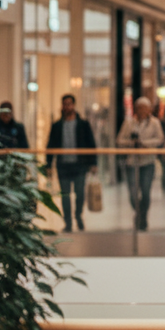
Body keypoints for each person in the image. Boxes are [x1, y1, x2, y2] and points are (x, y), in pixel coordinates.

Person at [46, 95, 98, 233]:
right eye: (65, 104)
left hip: (80, 165)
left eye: (69, 104)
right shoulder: (57, 125)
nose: (67, 107)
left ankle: (78, 216)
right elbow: (50, 145)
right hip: (63, 166)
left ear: (74, 105)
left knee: (80, 194)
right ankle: (68, 222)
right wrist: (48, 164)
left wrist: (93, 163)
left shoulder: (83, 124)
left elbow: (91, 144)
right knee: (65, 195)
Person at [116, 98, 165, 230]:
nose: (142, 111)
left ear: (149, 110)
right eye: (140, 108)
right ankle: (139, 213)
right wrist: (132, 143)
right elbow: (120, 140)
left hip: (148, 162)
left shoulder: (154, 123)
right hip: (132, 162)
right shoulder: (129, 123)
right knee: (133, 193)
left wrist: (145, 144)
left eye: (145, 108)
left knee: (145, 191)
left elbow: (160, 139)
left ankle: (142, 216)